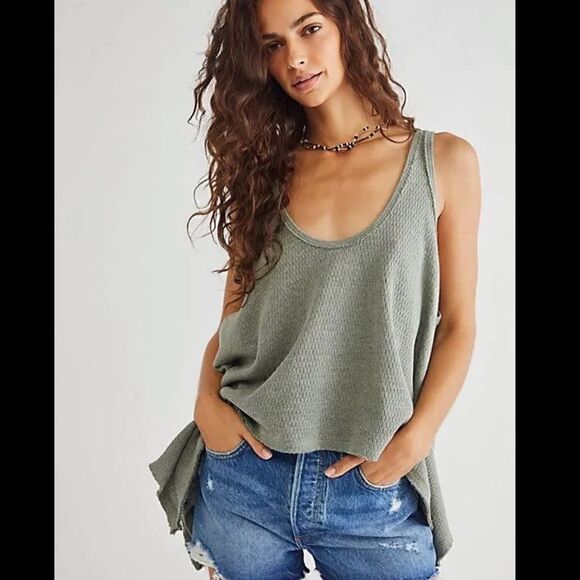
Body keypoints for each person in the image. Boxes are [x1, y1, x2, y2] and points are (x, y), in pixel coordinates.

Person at [149, 1, 481, 579]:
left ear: (345, 24)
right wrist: (206, 405)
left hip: (372, 487)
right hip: (244, 475)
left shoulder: (443, 162)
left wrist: (415, 439)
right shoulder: (263, 172)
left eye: (309, 29)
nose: (295, 58)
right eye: (272, 45)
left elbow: (457, 323)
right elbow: (233, 321)